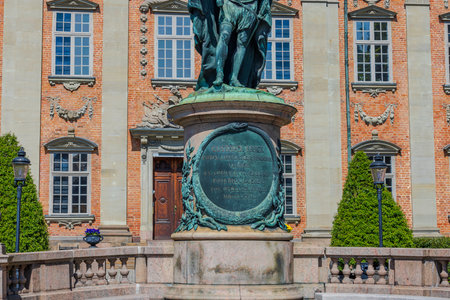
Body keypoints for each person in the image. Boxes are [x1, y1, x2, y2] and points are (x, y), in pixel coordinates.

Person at [188, 0, 272, 90]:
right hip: (229, 3)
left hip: (250, 7)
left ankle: (234, 78)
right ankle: (219, 75)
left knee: (242, 43)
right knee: (224, 35)